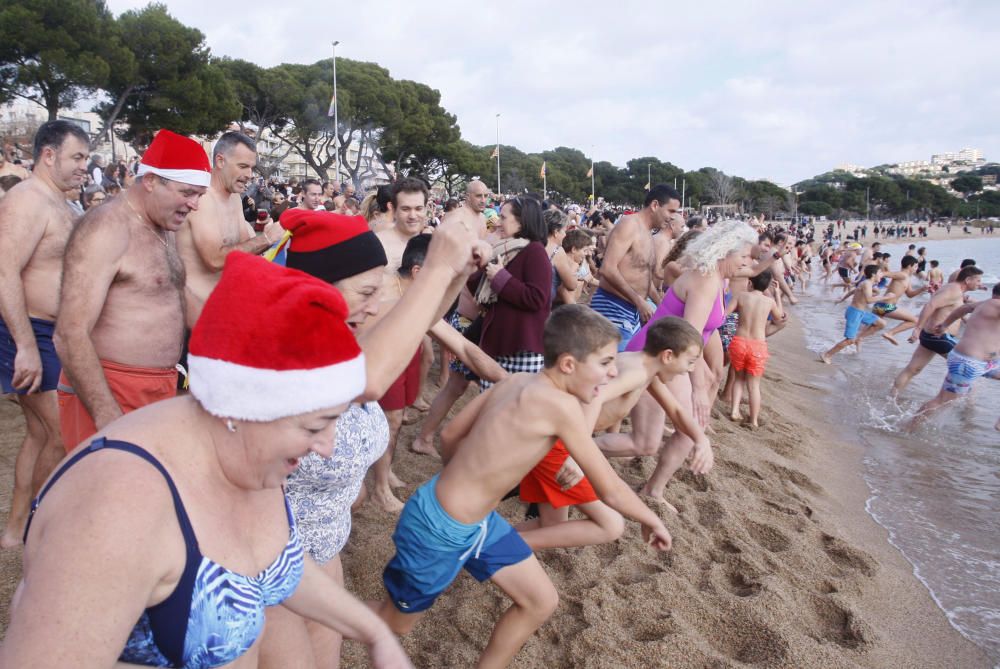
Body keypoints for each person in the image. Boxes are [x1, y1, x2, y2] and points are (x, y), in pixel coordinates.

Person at [0, 252, 412, 668]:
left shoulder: (250, 459)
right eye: (314, 427)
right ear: (244, 406)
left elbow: (274, 562)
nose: (326, 445)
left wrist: (373, 631)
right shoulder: (117, 510)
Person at [376, 304, 671, 668]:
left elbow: (451, 434)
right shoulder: (560, 406)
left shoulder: (516, 380)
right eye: (605, 362)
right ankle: (313, 624)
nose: (613, 372)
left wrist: (465, 480)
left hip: (474, 521)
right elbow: (608, 488)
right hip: (440, 530)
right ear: (568, 364)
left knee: (539, 601)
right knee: (393, 624)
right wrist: (651, 519)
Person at [258, 208, 488, 669]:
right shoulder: (294, 353)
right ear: (318, 289)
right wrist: (439, 267)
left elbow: (413, 322)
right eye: (366, 291)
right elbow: (368, 383)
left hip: (322, 553)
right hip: (270, 564)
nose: (375, 302)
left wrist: (456, 271)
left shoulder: (342, 333)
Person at [54, 130, 210, 451]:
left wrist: (234, 327)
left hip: (159, 388)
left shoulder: (163, 225)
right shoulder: (105, 228)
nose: (194, 205)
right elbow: (70, 332)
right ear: (151, 181)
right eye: (187, 193)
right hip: (109, 389)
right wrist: (106, 413)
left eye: (199, 195)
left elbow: (175, 295)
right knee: (105, 496)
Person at [520, 316, 711, 550]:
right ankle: (481, 545)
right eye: (690, 361)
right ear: (668, 355)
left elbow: (676, 410)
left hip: (558, 438)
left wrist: (701, 440)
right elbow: (596, 398)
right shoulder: (637, 373)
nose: (690, 369)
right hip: (560, 444)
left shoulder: (645, 369)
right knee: (605, 523)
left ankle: (485, 543)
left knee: (552, 526)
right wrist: (578, 454)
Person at [620, 220, 757, 505]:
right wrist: (698, 387)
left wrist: (705, 377)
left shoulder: (717, 278)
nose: (747, 261)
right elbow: (690, 337)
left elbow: (699, 337)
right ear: (724, 252)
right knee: (649, 441)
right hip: (655, 356)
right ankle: (571, 453)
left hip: (669, 357)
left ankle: (653, 490)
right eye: (743, 255)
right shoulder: (706, 281)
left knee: (669, 435)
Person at [0, 121, 90, 548]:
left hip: (53, 334)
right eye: (77, 157)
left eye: (86, 159)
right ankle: (40, 527)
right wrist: (24, 347)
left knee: (40, 435)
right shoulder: (27, 199)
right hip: (29, 331)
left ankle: (16, 531)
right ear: (48, 155)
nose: (84, 168)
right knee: (60, 434)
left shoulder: (62, 203)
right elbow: (4, 272)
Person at [177, 131, 285, 328]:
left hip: (225, 316)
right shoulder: (203, 199)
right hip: (196, 323)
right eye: (243, 166)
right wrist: (266, 239)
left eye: (251, 168)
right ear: (220, 161)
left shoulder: (234, 197)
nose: (249, 175)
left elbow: (246, 252)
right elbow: (215, 260)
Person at [467, 195, 552, 386]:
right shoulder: (503, 249)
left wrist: (501, 278)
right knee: (492, 407)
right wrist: (479, 265)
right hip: (498, 344)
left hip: (523, 347)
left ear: (521, 221)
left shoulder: (535, 251)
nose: (498, 222)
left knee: (519, 410)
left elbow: (537, 298)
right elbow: (479, 291)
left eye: (504, 217)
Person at [590, 184, 680, 350]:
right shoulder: (630, 224)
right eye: (671, 211)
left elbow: (643, 277)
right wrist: (639, 300)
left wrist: (660, 305)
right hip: (612, 306)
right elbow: (607, 268)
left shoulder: (647, 232)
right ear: (655, 205)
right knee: (617, 370)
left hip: (631, 310)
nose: (672, 218)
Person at [910, 283, 1000, 426]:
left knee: (945, 401)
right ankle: (908, 427)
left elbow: (964, 308)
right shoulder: (996, 305)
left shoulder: (986, 304)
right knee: (942, 400)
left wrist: (945, 324)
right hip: (967, 363)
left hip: (989, 363)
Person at [892, 266, 985, 395]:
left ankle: (892, 397)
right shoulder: (954, 290)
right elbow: (930, 305)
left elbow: (952, 310)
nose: (980, 284)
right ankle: (967, 406)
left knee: (913, 369)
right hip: (939, 338)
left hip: (930, 336)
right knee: (970, 367)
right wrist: (917, 329)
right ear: (968, 280)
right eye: (978, 281)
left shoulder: (952, 288)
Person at [726, 270, 785, 426]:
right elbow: (780, 318)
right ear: (767, 286)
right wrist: (777, 294)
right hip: (757, 346)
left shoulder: (741, 296)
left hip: (739, 341)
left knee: (738, 378)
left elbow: (725, 313)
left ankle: (734, 411)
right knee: (754, 385)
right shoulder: (769, 302)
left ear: (750, 282)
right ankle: (753, 420)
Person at [820, 265, 886, 364]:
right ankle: (827, 354)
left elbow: (853, 291)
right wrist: (885, 297)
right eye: (880, 272)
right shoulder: (867, 283)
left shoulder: (868, 284)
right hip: (854, 313)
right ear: (873, 274)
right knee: (849, 340)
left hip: (861, 313)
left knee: (881, 323)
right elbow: (868, 300)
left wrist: (842, 299)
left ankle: (859, 338)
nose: (882, 274)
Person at [873, 255, 926, 345]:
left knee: (870, 329)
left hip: (881, 306)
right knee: (915, 321)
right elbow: (884, 273)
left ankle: (857, 340)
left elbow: (910, 294)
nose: (916, 269)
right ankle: (890, 333)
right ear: (909, 266)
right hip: (885, 306)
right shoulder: (902, 274)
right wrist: (875, 282)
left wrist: (922, 289)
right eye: (915, 266)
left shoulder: (907, 278)